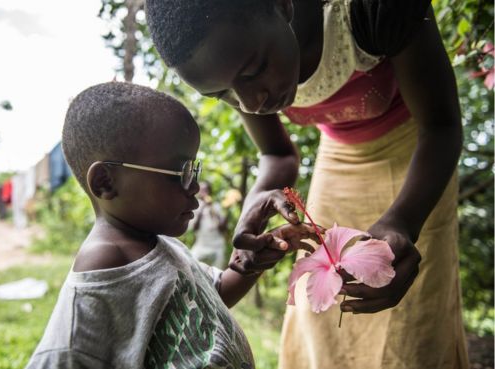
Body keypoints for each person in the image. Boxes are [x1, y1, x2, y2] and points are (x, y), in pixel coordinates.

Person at [145, 1, 468, 368]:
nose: (250, 103)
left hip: (418, 155)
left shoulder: (372, 8)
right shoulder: (232, 62)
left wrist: (403, 221)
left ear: (282, 7)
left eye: (254, 71)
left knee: (411, 316)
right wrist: (254, 210)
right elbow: (278, 155)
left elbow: (441, 127)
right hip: (340, 154)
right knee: (321, 311)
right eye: (222, 95)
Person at [25, 81, 318, 368]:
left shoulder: (163, 246)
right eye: (181, 172)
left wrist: (249, 265)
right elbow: (60, 356)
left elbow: (215, 295)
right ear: (105, 182)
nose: (195, 186)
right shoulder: (105, 266)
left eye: (194, 169)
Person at [191, 181, 228, 268]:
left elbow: (222, 228)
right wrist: (203, 207)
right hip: (201, 246)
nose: (203, 192)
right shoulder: (195, 207)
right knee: (191, 265)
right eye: (201, 190)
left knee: (218, 272)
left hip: (217, 247)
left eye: (205, 190)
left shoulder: (216, 206)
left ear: (210, 192)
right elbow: (194, 228)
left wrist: (212, 209)